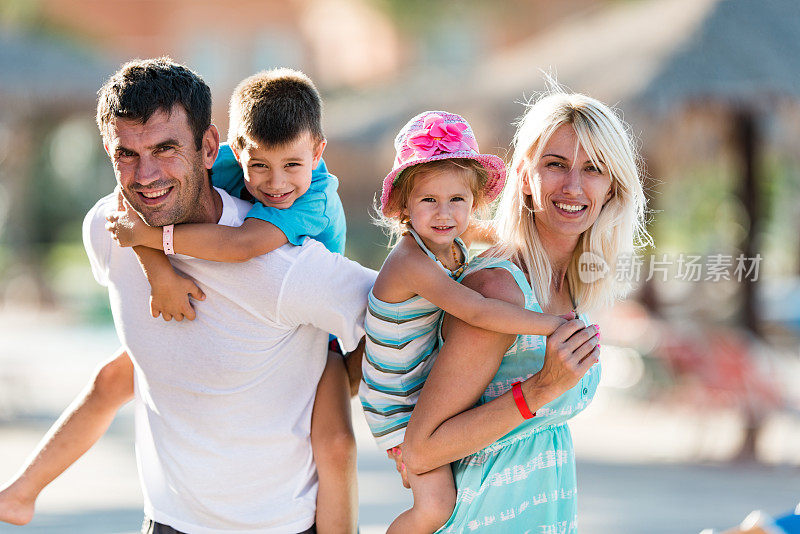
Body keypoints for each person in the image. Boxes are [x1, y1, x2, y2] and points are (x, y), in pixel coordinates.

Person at [1, 57, 375, 534]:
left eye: (165, 148)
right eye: (127, 155)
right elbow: (127, 210)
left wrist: (349, 375)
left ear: (208, 147)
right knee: (116, 376)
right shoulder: (108, 229)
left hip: (279, 525)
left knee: (337, 441)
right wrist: (156, 267)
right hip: (166, 522)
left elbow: (393, 310)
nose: (147, 174)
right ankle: (19, 495)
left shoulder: (287, 262)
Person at [400, 89, 650, 533]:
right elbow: (421, 450)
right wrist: (537, 391)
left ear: (613, 185)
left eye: (594, 168)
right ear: (524, 173)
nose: (573, 186)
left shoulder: (572, 289)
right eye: (556, 164)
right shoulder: (499, 290)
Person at [358, 110, 574, 534]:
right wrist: (551, 325)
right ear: (404, 205)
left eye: (457, 200)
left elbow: (506, 236)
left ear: (474, 201)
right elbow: (476, 310)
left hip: (421, 384)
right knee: (436, 506)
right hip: (398, 401)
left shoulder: (454, 238)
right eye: (428, 201)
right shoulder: (410, 261)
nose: (444, 213)